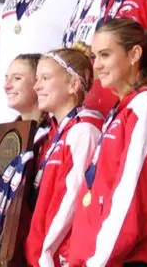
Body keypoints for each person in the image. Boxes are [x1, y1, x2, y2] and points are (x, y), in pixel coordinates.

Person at [70, 18, 147, 267]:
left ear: (134, 54)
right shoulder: (124, 109)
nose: (97, 65)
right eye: (94, 56)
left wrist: (98, 260)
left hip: (130, 258)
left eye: (105, 55)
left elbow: (135, 194)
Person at [25, 48, 102, 267]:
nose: (36, 86)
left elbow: (73, 200)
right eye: (37, 79)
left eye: (46, 78)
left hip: (60, 256)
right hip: (40, 251)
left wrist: (46, 252)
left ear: (73, 84)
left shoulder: (84, 132)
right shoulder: (48, 135)